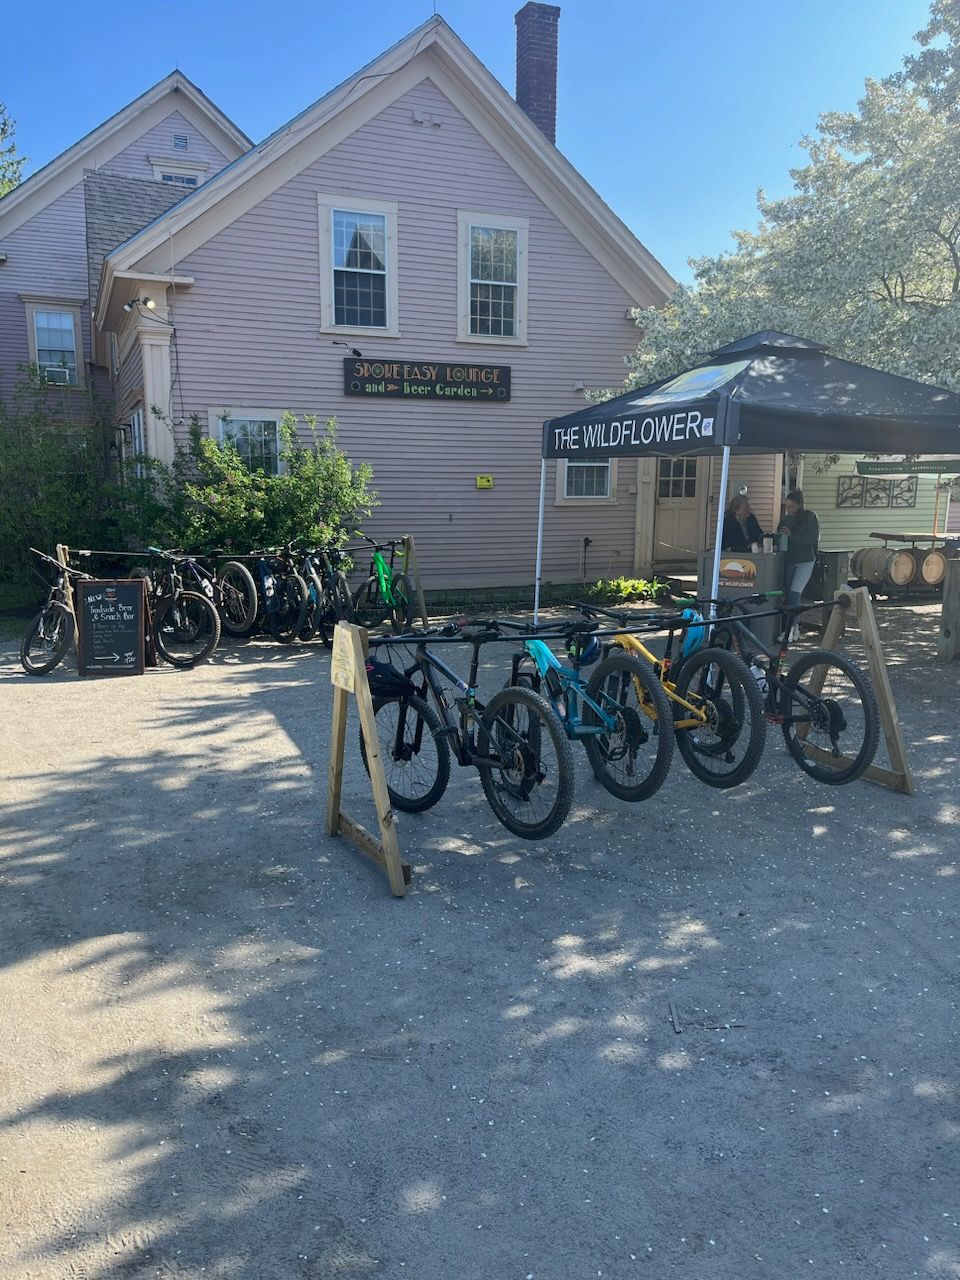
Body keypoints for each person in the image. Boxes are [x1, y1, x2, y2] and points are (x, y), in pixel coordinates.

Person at [778, 488, 819, 640]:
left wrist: (792, 535)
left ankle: (790, 629)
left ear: (800, 505)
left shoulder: (810, 516)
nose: (788, 509)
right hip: (789, 559)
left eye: (791, 506)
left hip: (805, 560)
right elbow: (780, 536)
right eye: (786, 506)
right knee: (788, 595)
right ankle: (793, 627)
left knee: (795, 594)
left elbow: (813, 539)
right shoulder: (786, 519)